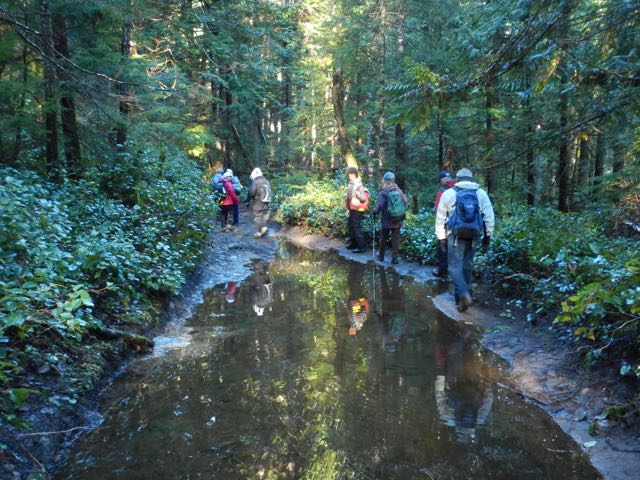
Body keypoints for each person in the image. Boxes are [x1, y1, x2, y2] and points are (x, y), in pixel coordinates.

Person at [435, 168, 495, 312]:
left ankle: (463, 293)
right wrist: (488, 235)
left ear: (457, 179)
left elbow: (440, 217)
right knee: (467, 266)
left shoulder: (449, 193)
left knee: (454, 267)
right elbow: (489, 215)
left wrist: (441, 238)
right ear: (472, 179)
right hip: (474, 234)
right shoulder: (481, 193)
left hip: (454, 235)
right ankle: (460, 300)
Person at [372, 171, 408, 265]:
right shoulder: (398, 190)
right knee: (395, 239)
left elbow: (380, 206)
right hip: (398, 219)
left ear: (385, 181)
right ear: (393, 180)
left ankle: (381, 255)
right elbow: (405, 201)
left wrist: (374, 211)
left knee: (384, 237)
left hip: (387, 219)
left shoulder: (384, 192)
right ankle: (395, 258)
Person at [433, 171, 458, 278]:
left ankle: (442, 271)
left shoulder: (443, 190)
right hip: (461, 223)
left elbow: (438, 208)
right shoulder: (460, 187)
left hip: (447, 223)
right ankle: (456, 272)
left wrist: (438, 224)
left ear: (442, 180)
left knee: (442, 245)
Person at [344, 167, 368, 253]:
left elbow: (363, 199)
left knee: (356, 228)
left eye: (352, 174)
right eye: (349, 174)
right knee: (351, 227)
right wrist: (348, 208)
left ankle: (362, 246)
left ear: (355, 175)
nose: (351, 176)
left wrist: (357, 194)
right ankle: (353, 244)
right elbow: (348, 198)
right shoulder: (351, 184)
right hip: (352, 209)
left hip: (357, 209)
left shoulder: (359, 185)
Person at [246, 167, 272, 237]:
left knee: (256, 216)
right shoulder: (266, 181)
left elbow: (251, 192)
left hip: (257, 201)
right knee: (263, 215)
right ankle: (261, 231)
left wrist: (247, 200)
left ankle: (262, 229)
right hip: (266, 200)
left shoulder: (256, 181)